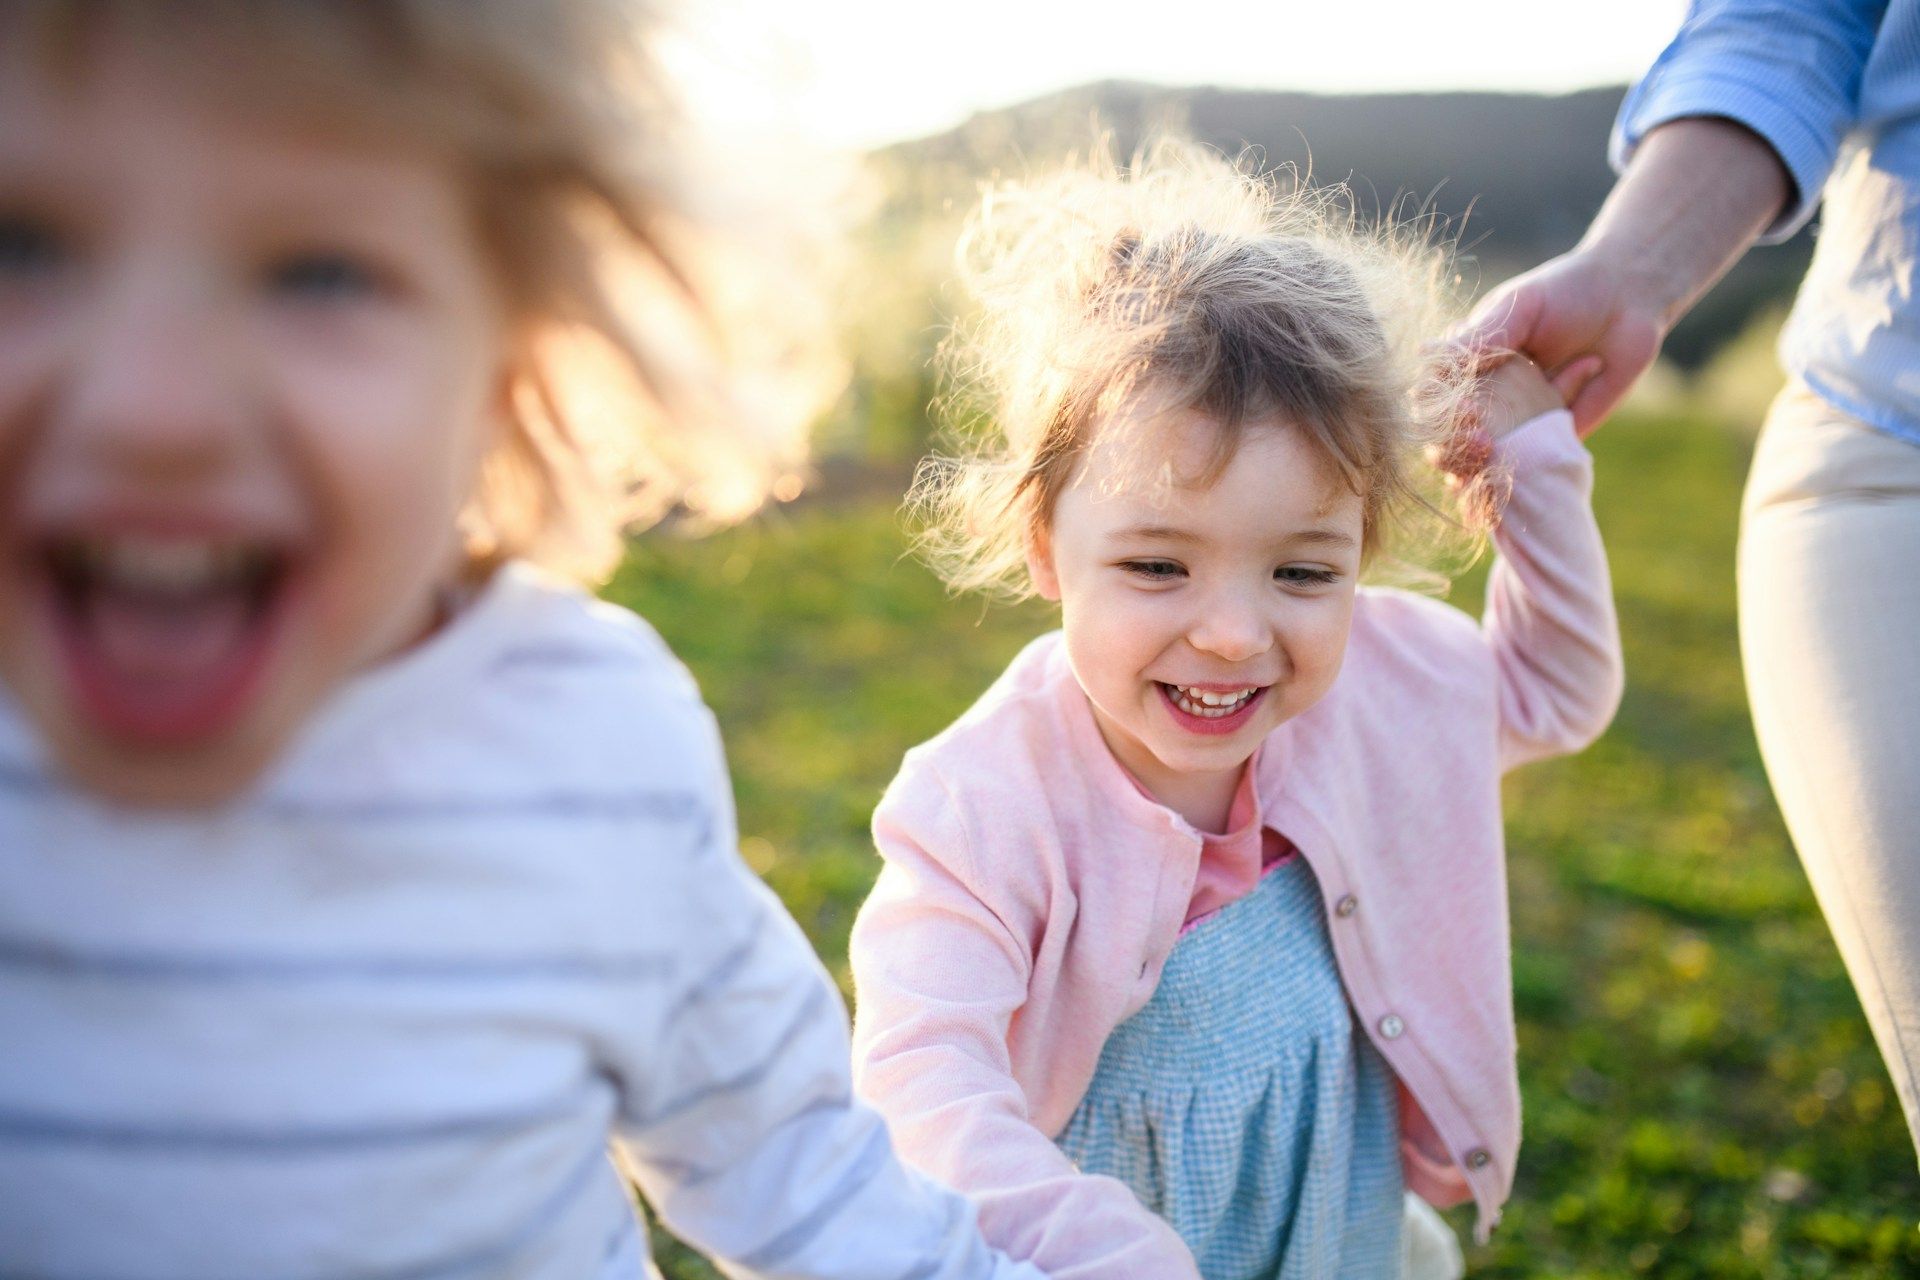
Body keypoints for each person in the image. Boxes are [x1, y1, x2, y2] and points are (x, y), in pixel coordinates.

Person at [0, 5, 1056, 1278]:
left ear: (514, 357)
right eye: (20, 247)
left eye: (319, 272)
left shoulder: (591, 738)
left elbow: (799, 1165)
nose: (150, 408)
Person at [845, 143, 1625, 1280]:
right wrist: (1102, 1252)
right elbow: (919, 1082)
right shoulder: (977, 804)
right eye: (1160, 566)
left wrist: (1531, 465)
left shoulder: (1379, 685)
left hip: (1332, 1225)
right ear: (1044, 546)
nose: (1233, 634)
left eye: (1304, 574)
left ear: (1363, 552)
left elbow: (1553, 688)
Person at [1460, 0, 1920, 1164]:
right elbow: (1796, 20)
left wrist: (1541, 473)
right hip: (1893, 441)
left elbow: (1553, 691)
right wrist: (1628, 271)